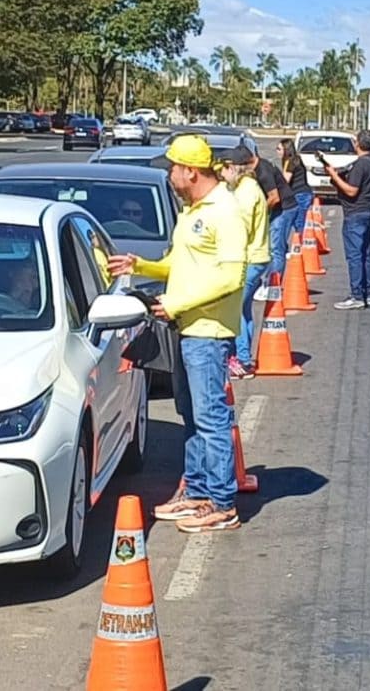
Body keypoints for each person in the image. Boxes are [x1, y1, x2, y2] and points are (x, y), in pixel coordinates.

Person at [106, 135, 246, 533]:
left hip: (207, 330)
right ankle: (198, 492)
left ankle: (221, 503)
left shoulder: (224, 211)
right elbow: (178, 265)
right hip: (187, 326)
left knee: (210, 417)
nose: (169, 175)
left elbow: (230, 276)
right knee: (191, 415)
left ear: (191, 171)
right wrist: (143, 266)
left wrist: (178, 304)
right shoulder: (192, 211)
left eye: (173, 168)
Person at [217, 146, 270, 379]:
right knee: (244, 310)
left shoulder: (247, 192)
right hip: (256, 257)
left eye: (224, 170)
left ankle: (241, 360)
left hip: (249, 258)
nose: (222, 175)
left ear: (234, 168)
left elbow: (241, 228)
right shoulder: (245, 188)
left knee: (235, 310)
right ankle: (244, 358)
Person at [321, 131, 370, 310]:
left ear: (358, 144)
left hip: (355, 213)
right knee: (365, 254)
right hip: (368, 211)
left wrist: (334, 176)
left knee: (355, 255)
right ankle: (367, 293)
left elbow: (351, 190)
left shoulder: (361, 165)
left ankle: (356, 295)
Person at [273, 139, 312, 280]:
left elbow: (285, 181)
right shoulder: (293, 160)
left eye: (279, 148)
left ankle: (299, 249)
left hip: (300, 195)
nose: (277, 151)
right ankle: (297, 247)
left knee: (299, 224)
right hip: (300, 194)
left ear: (286, 149)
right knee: (297, 223)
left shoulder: (291, 162)